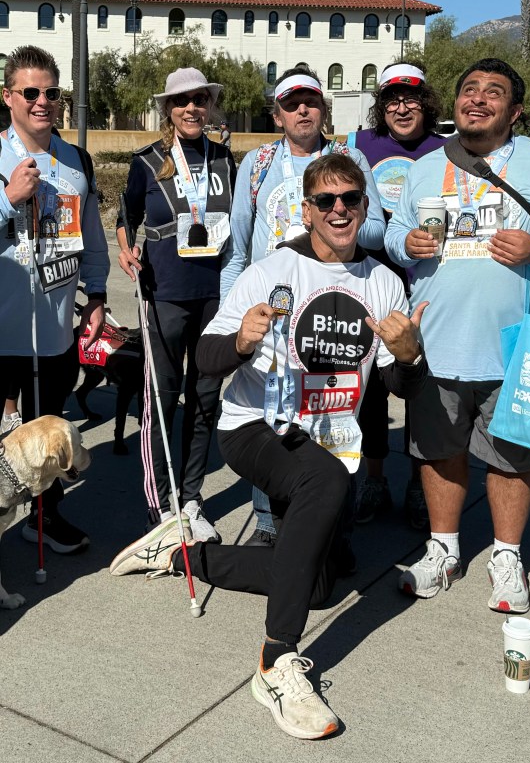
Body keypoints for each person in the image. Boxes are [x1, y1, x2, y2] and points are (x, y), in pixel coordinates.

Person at [110, 154, 428, 739]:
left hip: (333, 439)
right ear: (306, 210)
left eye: (350, 199)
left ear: (365, 207)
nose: (339, 210)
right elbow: (206, 362)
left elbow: (396, 387)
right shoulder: (270, 272)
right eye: (326, 201)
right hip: (254, 425)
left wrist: (409, 355)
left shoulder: (383, 283)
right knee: (323, 484)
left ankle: (184, 554)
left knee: (319, 582)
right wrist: (239, 342)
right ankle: (276, 661)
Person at [386, 58, 530, 612]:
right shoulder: (426, 169)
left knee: (512, 459)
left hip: (515, 345)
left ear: (516, 110)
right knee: (437, 452)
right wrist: (404, 243)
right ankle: (443, 549)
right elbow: (391, 235)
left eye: (493, 92)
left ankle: (506, 556)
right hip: (435, 341)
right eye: (469, 89)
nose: (477, 99)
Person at [220, 66, 385, 547]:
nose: (303, 110)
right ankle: (268, 525)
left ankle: (334, 526)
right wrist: (229, 315)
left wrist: (335, 219)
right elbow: (239, 244)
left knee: (333, 408)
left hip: (332, 302)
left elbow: (372, 230)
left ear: (323, 108)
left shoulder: (348, 156)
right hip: (271, 312)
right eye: (291, 103)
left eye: (311, 101)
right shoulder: (257, 163)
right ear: (277, 114)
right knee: (269, 410)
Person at [116, 67, 236, 542]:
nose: (192, 108)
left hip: (214, 296)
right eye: (182, 101)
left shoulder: (225, 159)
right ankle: (159, 503)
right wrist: (127, 250)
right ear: (169, 108)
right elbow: (127, 216)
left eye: (199, 100)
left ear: (209, 106)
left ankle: (191, 496)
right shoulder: (147, 162)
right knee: (161, 401)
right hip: (164, 293)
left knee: (206, 399)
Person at [0, 45, 108, 552]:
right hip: (4, 330)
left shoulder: (76, 159)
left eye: (51, 92)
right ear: (9, 97)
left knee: (50, 437)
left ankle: (43, 517)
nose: (42, 101)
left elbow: (92, 236)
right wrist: (7, 200)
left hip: (56, 329)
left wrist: (99, 294)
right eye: (30, 92)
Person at [347, 62, 446, 529]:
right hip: (370, 282)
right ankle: (374, 476)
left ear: (425, 102)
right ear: (380, 107)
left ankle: (418, 483)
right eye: (391, 99)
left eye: (410, 98)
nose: (401, 107)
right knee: (370, 388)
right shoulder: (358, 145)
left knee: (420, 387)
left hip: (427, 284)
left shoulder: (448, 149)